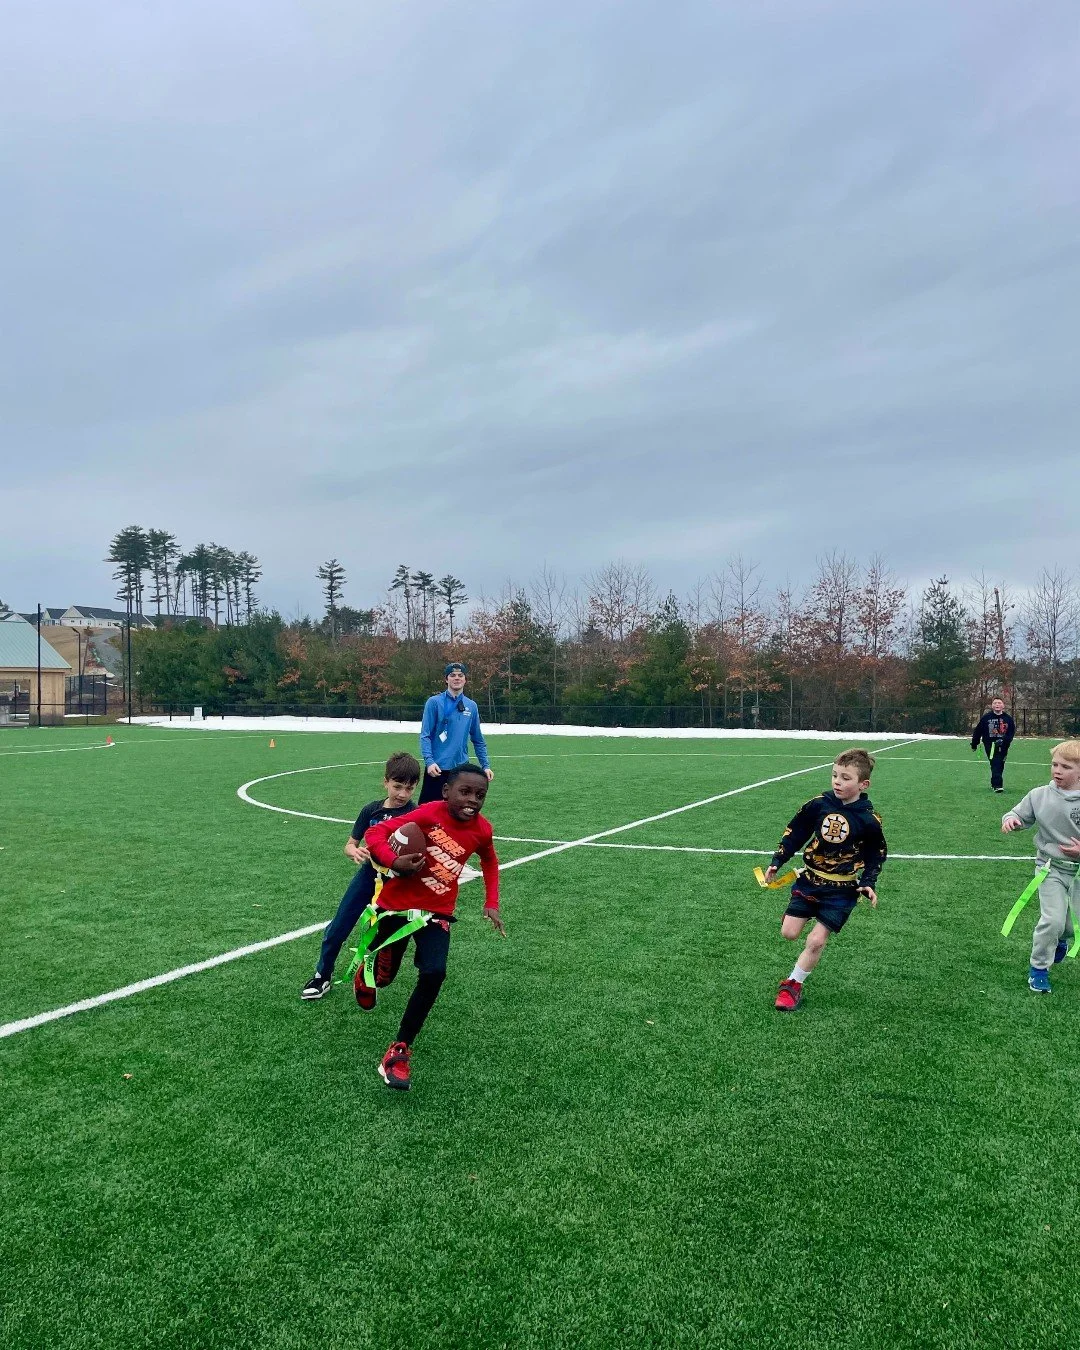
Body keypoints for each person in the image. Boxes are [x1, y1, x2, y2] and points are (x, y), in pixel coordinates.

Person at [360, 763, 504, 1091]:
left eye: (480, 795)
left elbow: (490, 861)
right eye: (464, 792)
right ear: (446, 791)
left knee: (434, 972)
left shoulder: (483, 829)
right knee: (384, 978)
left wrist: (492, 901)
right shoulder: (427, 814)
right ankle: (367, 976)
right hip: (396, 906)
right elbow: (375, 834)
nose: (472, 800)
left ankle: (399, 1050)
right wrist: (394, 861)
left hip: (437, 911)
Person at [762, 748, 887, 1012]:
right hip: (810, 881)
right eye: (834, 775)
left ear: (863, 785)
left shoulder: (869, 820)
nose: (837, 782)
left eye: (845, 778)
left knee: (816, 940)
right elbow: (796, 832)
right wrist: (777, 860)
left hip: (842, 889)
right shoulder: (819, 804)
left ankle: (792, 985)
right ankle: (801, 912)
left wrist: (868, 882)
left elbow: (876, 854)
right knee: (789, 933)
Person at [299, 752, 421, 1000]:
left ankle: (373, 978)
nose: (402, 794)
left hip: (399, 883)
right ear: (385, 782)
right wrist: (354, 851)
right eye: (397, 786)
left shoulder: (416, 814)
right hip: (369, 877)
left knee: (388, 937)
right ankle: (322, 976)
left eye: (409, 788)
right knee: (338, 926)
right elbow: (349, 844)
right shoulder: (371, 811)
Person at [1001, 740, 1080, 994]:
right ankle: (1039, 968)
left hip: (1078, 873)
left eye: (1066, 767)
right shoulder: (1039, 795)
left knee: (1071, 925)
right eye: (1055, 764)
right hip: (1050, 869)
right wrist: (1011, 820)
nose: (1057, 770)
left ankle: (1061, 940)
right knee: (1052, 921)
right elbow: (1017, 814)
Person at [418, 661, 493, 805]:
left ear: (465, 679)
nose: (457, 678)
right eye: (452, 675)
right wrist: (430, 762)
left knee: (458, 810)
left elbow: (478, 739)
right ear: (446, 679)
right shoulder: (434, 702)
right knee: (428, 811)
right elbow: (425, 735)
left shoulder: (471, 706)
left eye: (460, 675)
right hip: (437, 769)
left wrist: (485, 765)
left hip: (460, 771)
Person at [971, 697, 1016, 793]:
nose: (997, 705)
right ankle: (997, 785)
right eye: (995, 703)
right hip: (990, 745)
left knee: (1000, 764)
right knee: (995, 762)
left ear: (1003, 705)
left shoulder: (1008, 719)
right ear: (992, 706)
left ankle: (994, 783)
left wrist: (1004, 740)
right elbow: (978, 731)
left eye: (999, 703)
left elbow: (1011, 733)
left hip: (1003, 746)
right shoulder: (986, 718)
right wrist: (974, 744)